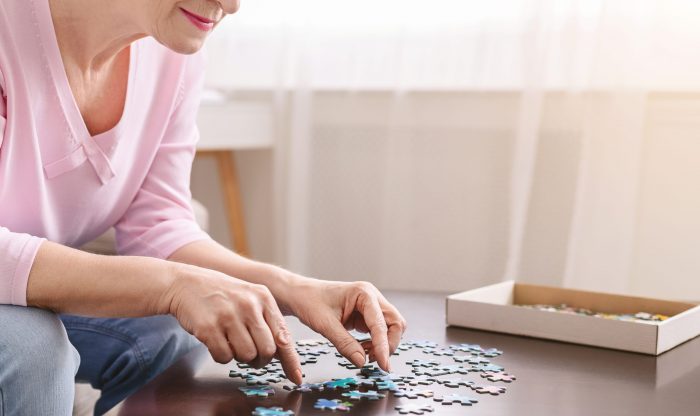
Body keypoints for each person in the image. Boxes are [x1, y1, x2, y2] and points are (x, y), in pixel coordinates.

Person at [0, 1, 407, 414]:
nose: (231, 5)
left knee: (170, 332)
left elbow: (158, 226)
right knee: (33, 350)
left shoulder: (170, 52)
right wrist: (173, 285)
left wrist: (292, 289)